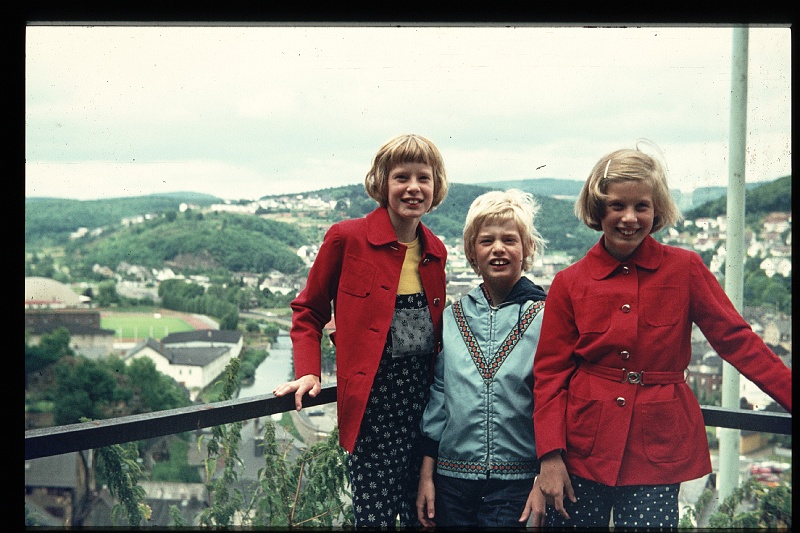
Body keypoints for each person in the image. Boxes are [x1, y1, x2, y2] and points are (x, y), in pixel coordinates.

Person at [531, 140, 793, 529]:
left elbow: (737, 340)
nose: (629, 217)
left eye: (642, 206)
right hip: (582, 449)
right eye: (617, 205)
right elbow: (549, 375)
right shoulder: (569, 282)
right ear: (597, 208)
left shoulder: (685, 268)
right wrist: (550, 457)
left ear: (657, 210)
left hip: (657, 449)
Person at [272, 133, 449, 528]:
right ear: (383, 184)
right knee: (376, 522)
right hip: (374, 417)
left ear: (435, 186)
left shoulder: (436, 251)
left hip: (424, 417)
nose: (414, 188)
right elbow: (308, 311)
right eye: (402, 177)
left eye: (424, 177)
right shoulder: (347, 238)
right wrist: (308, 371)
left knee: (426, 520)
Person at [416, 189, 548, 529]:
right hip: (452, 482)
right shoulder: (452, 317)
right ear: (472, 253)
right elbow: (439, 398)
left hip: (516, 483)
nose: (498, 248)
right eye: (486, 241)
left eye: (510, 239)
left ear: (527, 249)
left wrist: (542, 478)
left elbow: (554, 399)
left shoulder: (545, 317)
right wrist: (427, 476)